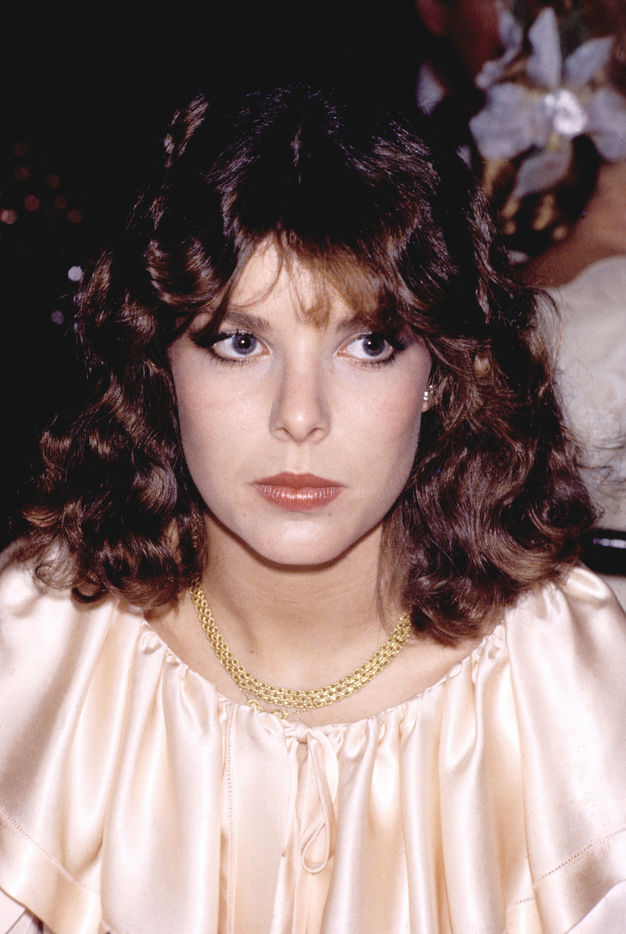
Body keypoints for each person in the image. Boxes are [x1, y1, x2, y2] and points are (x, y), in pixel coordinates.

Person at [0, 85, 624, 933]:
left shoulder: (569, 675)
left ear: (441, 371)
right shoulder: (38, 647)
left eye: (368, 344)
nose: (300, 416)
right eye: (240, 342)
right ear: (160, 362)